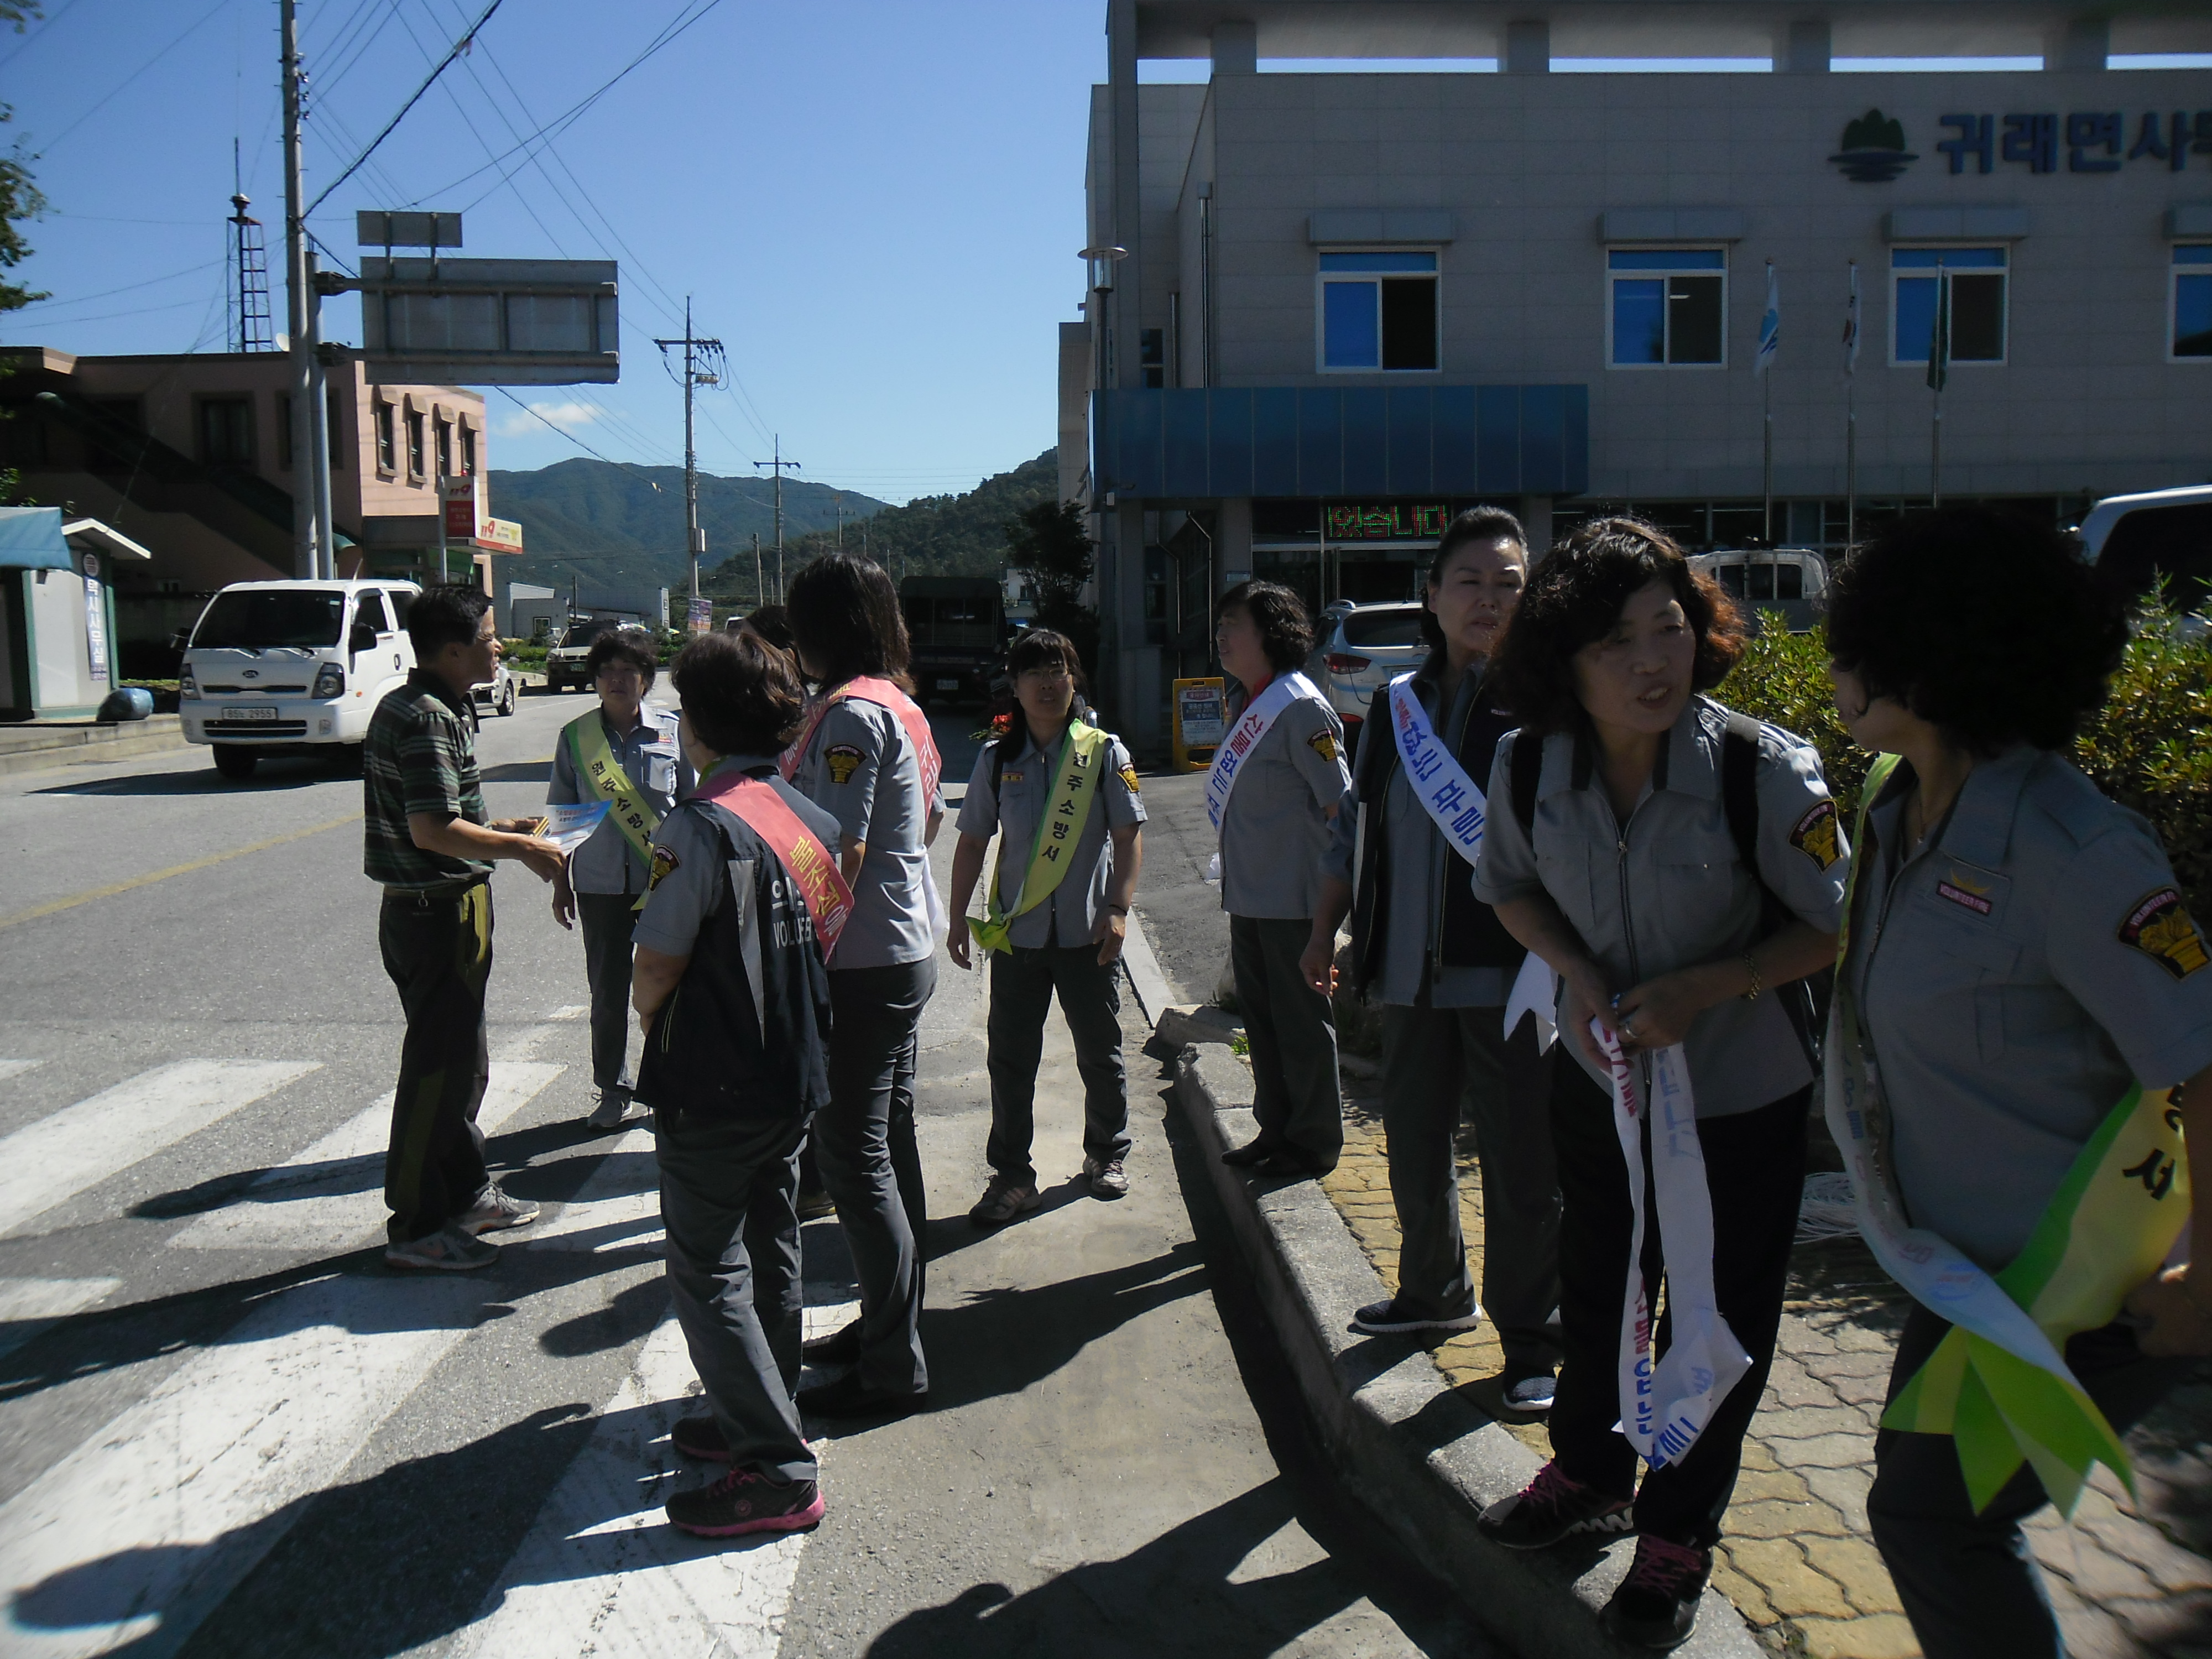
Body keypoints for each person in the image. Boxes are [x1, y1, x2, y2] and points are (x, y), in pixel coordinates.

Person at [1823, 509, 2212, 1659]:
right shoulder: (1896, 807)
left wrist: (2204, 1285)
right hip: (1963, 1273)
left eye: (1854, 645)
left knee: (1932, 1522)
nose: (1834, 668)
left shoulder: (2075, 851)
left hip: (2089, 1289)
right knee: (1929, 1508)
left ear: (1931, 664)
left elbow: (2202, 1061)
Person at [1470, 519, 1846, 1650]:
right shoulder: (1526, 764)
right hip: (1601, 1089)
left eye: (1667, 628)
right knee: (1596, 1287)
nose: (1651, 663)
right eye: (1614, 643)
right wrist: (1577, 972)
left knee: (1717, 1318)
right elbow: (1508, 888)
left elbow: (1835, 922)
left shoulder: (1761, 770)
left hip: (1740, 1098)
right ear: (1562, 661)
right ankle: (1588, 1473)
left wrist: (1711, 986)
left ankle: (1678, 1531)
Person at [1301, 507, 1562, 1411]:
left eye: (1508, 583)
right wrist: (1326, 928)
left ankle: (1533, 1341)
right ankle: (1434, 1292)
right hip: (1407, 974)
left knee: (1521, 1164)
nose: (1489, 599)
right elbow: (1354, 828)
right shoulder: (1396, 706)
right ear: (1433, 594)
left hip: (1514, 978)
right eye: (1470, 582)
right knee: (1413, 1144)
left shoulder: (1548, 705)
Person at [629, 629, 841, 1538]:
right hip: (792, 1068)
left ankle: (777, 1467)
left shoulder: (698, 825)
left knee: (708, 1265)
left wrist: (650, 1022)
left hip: (713, 1076)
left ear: (701, 725)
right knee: (771, 1238)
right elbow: (828, 928)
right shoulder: (805, 817)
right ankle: (763, 1408)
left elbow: (657, 964)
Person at [781, 552, 943, 1417]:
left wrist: (793, 949)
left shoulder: (849, 714)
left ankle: (892, 1364)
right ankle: (892, 1324)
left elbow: (834, 853)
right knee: (888, 1146)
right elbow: (929, 818)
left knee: (853, 1158)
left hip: (861, 961)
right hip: (897, 948)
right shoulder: (898, 703)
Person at [363, 585, 564, 1272]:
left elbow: (440, 814)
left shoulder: (425, 704)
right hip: (435, 911)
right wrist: (525, 849)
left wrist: (498, 828)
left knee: (462, 1062)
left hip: (440, 904)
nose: (499, 646)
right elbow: (432, 831)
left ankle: (466, 1193)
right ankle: (418, 1225)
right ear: (452, 650)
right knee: (436, 1072)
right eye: (487, 637)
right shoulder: (426, 717)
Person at [946, 629, 1146, 1223]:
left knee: (1100, 1053)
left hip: (1088, 935)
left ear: (1073, 679)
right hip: (1018, 938)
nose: (1047, 683)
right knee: (1010, 1062)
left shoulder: (1103, 753)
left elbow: (1128, 836)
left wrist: (1118, 908)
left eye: (1057, 669)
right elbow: (972, 843)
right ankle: (1013, 1177)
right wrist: (957, 919)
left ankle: (1106, 1154)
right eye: (1033, 672)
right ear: (1014, 685)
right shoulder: (995, 760)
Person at [1212, 580, 1353, 1178]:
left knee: (1301, 1028)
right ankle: (1275, 1129)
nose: (1220, 636)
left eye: (1233, 625)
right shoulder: (1245, 702)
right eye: (1220, 625)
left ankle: (1313, 1143)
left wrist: (1331, 915)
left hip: (1295, 903)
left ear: (1270, 633)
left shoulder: (1299, 708)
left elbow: (1339, 808)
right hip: (1248, 897)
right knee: (1263, 1026)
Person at [546, 625, 691, 1130]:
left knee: (670, 988)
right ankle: (613, 1089)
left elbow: (694, 808)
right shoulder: (576, 738)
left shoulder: (674, 733)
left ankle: (671, 1086)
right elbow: (563, 820)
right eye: (607, 671)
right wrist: (561, 884)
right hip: (600, 886)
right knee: (607, 995)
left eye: (628, 670)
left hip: (664, 885)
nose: (617, 680)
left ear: (646, 678)